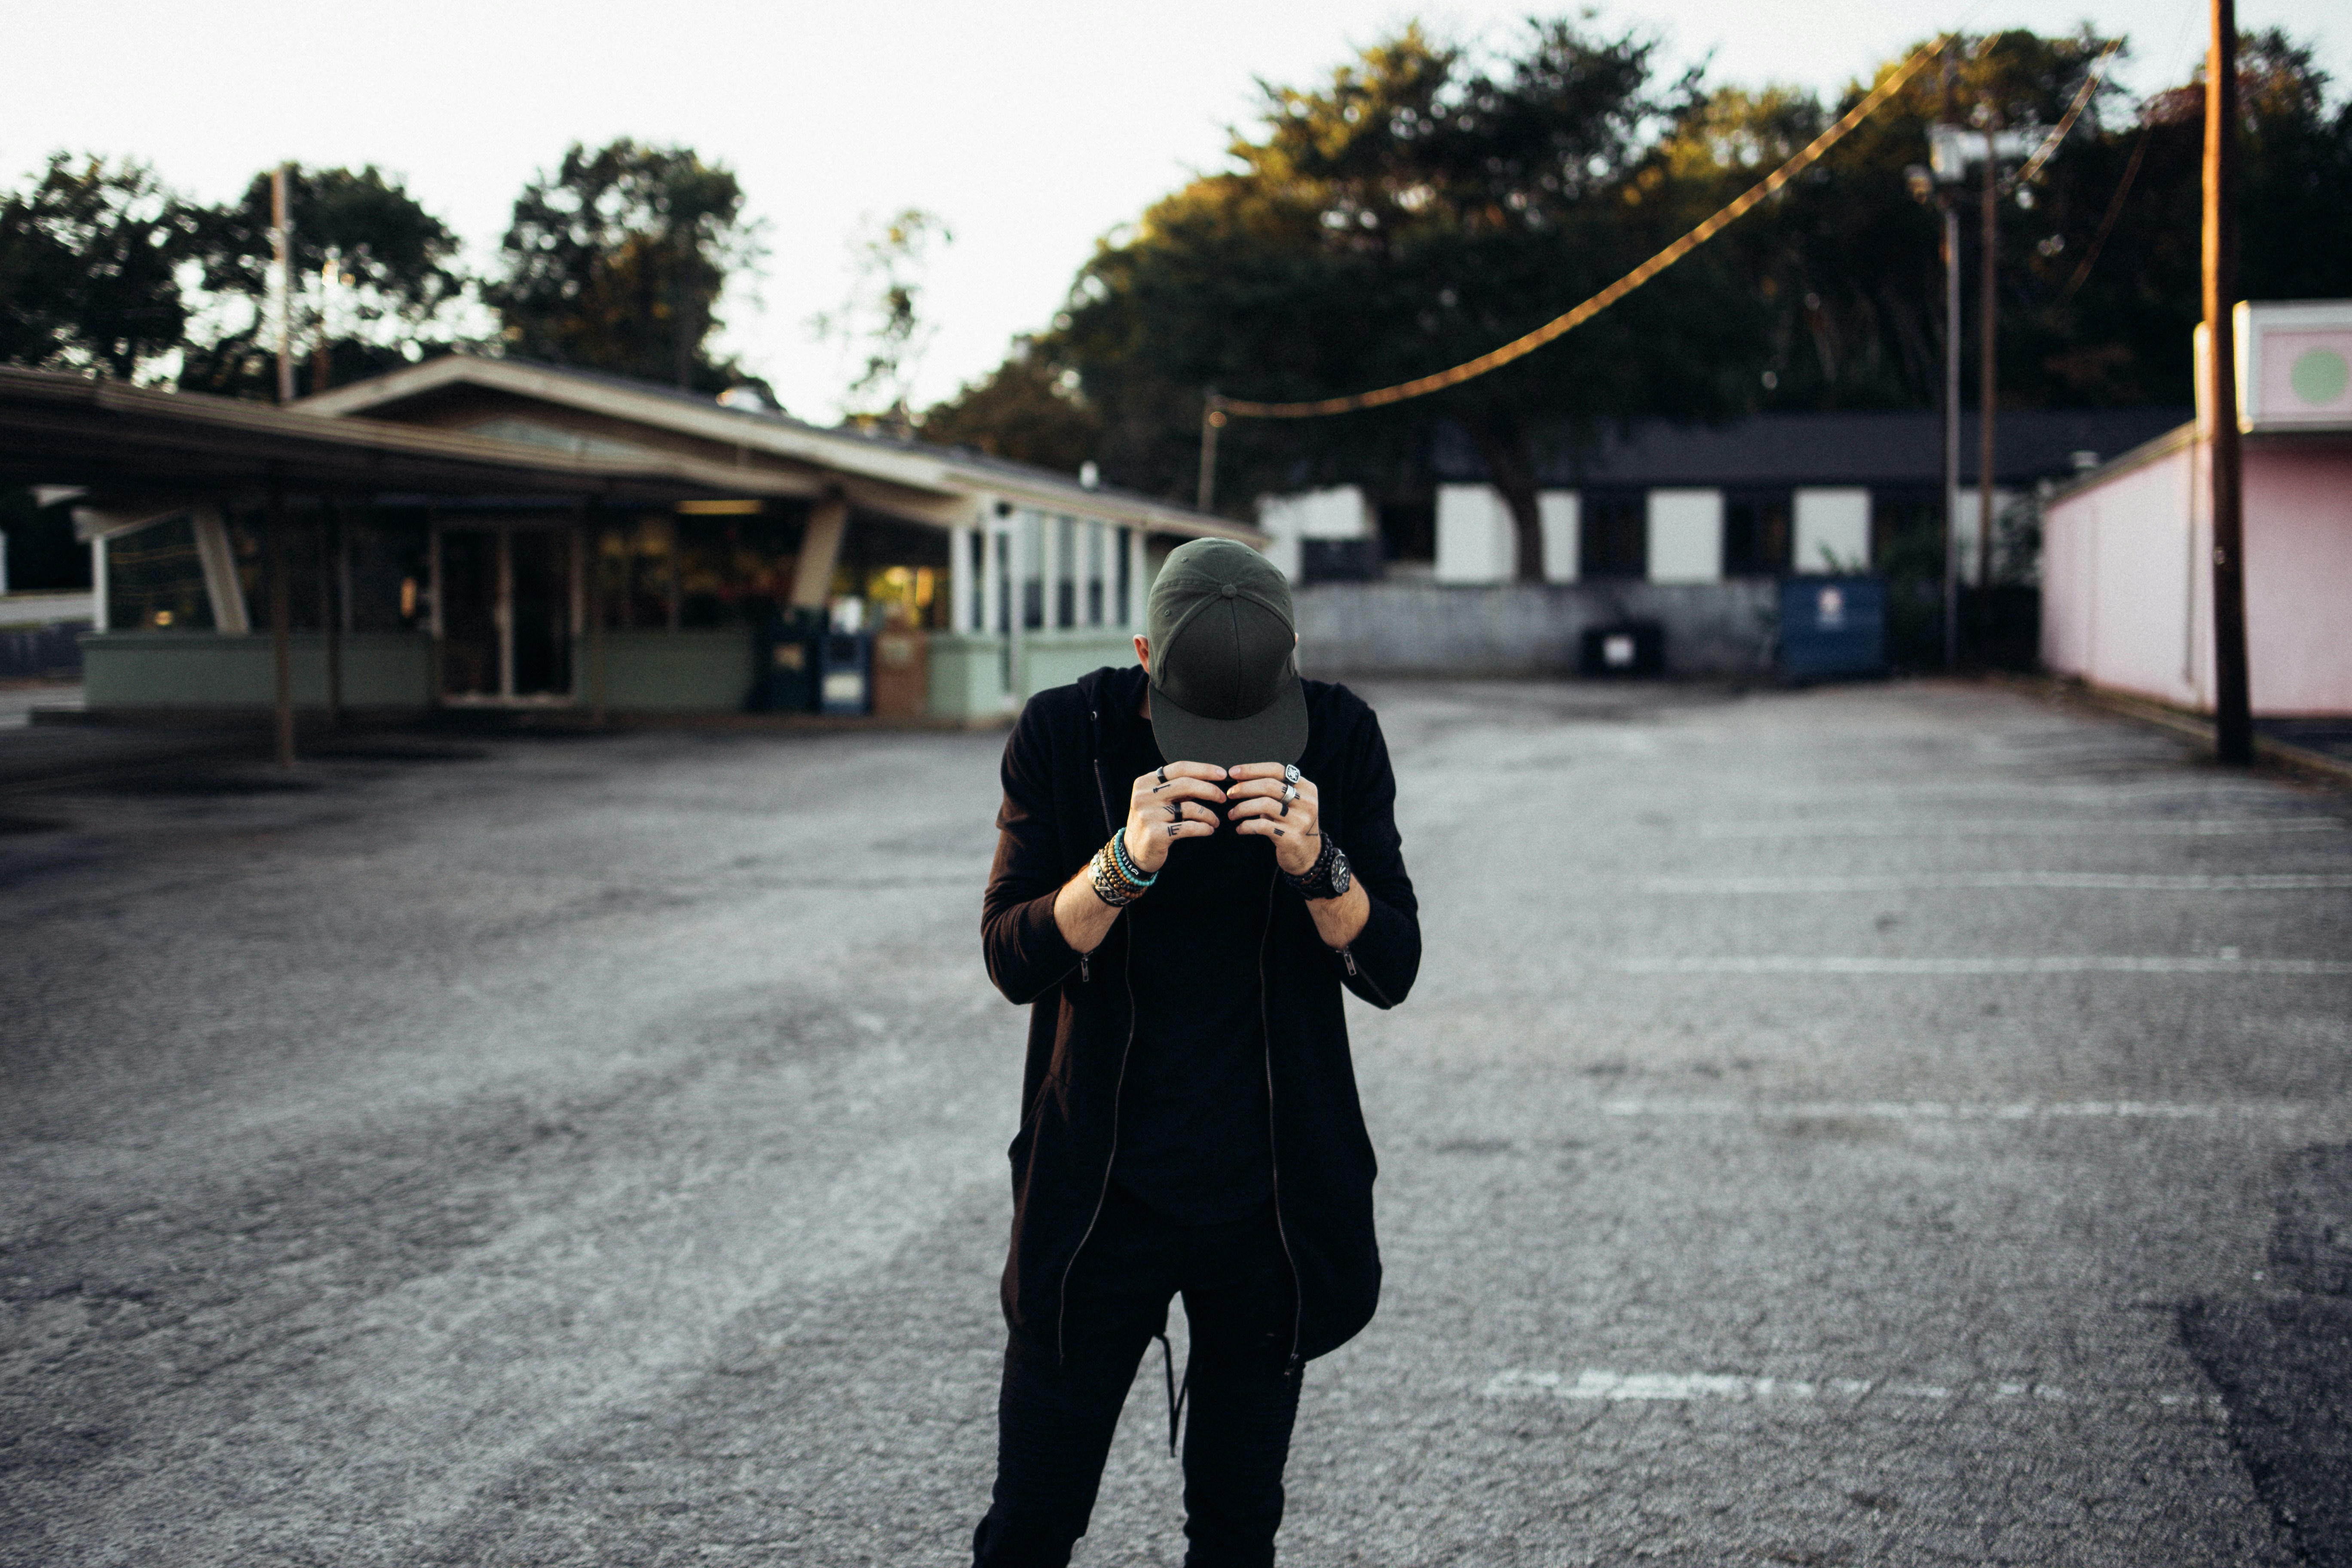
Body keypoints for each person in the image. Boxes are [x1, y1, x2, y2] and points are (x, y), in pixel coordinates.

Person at [974, 537, 1421, 1566]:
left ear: (1294, 659)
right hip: (1097, 1201)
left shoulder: (1341, 736)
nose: (1225, 753)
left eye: (1252, 725)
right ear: (1141, 655)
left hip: (1269, 1212)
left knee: (1235, 1533)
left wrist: (1322, 867)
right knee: (1030, 1527)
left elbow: (1392, 967)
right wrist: (1122, 866)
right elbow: (1011, 957)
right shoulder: (1066, 733)